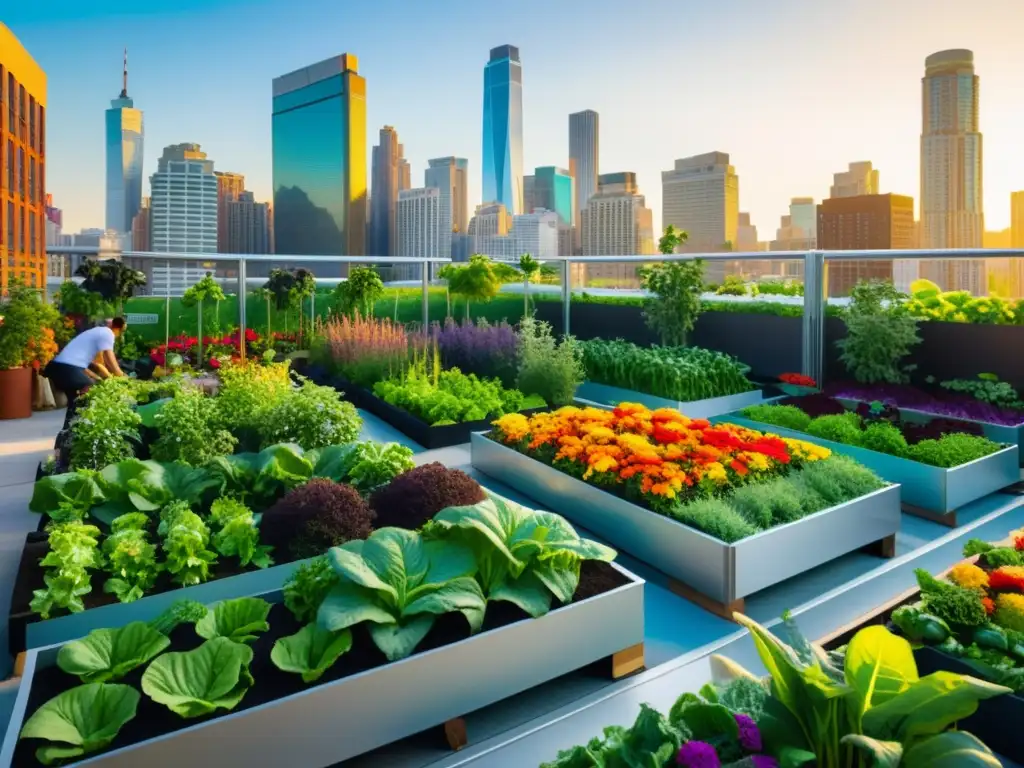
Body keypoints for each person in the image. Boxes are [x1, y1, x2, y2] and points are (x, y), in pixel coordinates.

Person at [44, 317, 127, 404]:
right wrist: (121, 375)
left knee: (76, 402)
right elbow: (109, 358)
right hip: (67, 369)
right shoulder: (108, 333)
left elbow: (98, 364)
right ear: (119, 329)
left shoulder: (98, 332)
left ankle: (73, 416)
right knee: (94, 390)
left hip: (57, 368)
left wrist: (106, 376)